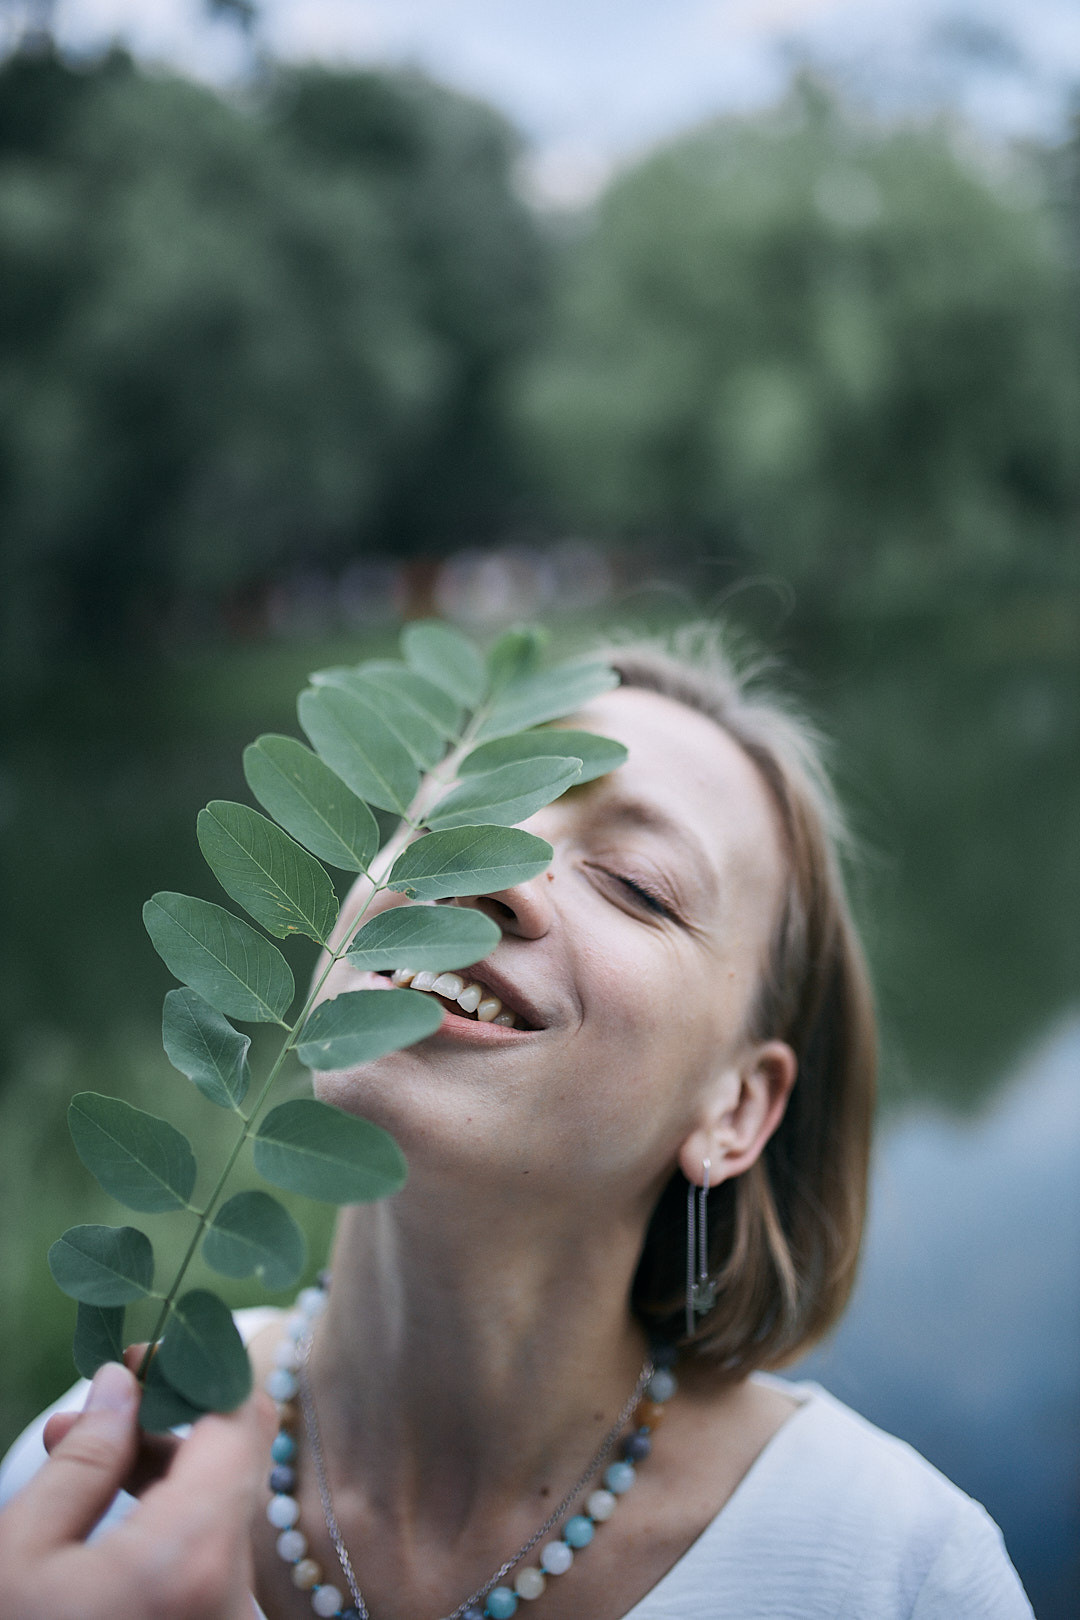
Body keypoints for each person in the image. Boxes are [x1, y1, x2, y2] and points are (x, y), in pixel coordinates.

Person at [0, 632, 1034, 1618]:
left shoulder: (901, 1579)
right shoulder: (83, 1468)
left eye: (636, 884)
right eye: (456, 816)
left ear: (736, 1109)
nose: (487, 875)